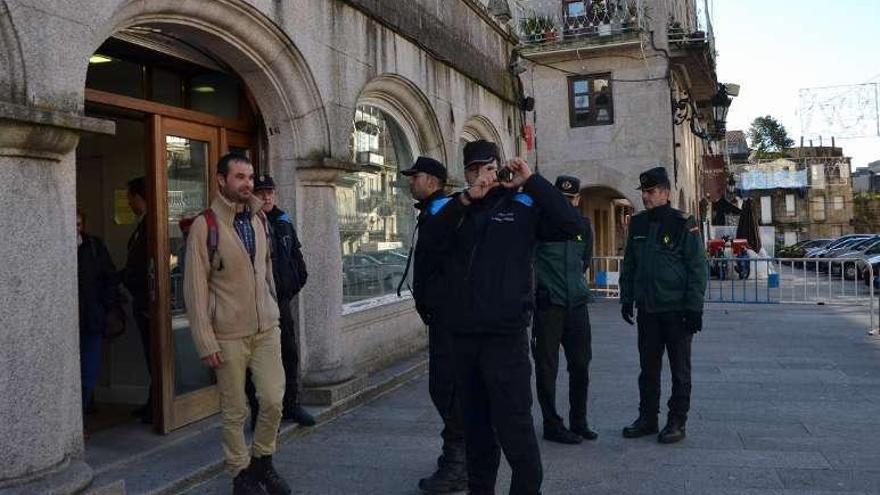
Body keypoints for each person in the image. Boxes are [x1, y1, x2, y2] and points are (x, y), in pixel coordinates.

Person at [432, 140, 581, 495]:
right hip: (464, 340)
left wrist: (531, 181)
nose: (484, 174)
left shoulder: (523, 204)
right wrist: (467, 199)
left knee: (516, 432)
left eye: (489, 167)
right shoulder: (454, 208)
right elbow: (429, 245)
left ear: (501, 167)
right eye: (475, 169)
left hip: (506, 340)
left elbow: (571, 224)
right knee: (477, 436)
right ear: (466, 173)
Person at [183, 153, 290, 495]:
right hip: (227, 333)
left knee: (273, 400)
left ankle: (263, 461)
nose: (247, 183)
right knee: (235, 410)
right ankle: (241, 473)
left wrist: (274, 312)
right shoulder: (206, 226)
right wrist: (205, 340)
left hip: (266, 329)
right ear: (221, 180)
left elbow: (267, 273)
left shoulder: (259, 219)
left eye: (250, 177)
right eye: (239, 177)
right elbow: (195, 289)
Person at [619, 166, 707, 444]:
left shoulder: (684, 222)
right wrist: (627, 297)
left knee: (680, 370)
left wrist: (694, 308)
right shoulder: (638, 223)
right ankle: (647, 418)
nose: (646, 196)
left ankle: (677, 420)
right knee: (648, 369)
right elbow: (630, 264)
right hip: (649, 310)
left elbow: (697, 267)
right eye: (644, 191)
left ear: (666, 192)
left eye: (651, 191)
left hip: (677, 310)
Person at [398, 156, 467, 493]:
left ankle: (459, 461)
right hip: (442, 315)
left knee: (446, 387)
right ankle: (458, 453)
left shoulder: (446, 210)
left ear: (433, 180)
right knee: (445, 386)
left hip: (451, 316)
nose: (411, 181)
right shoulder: (433, 211)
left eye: (416, 176)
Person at [531, 175, 598, 445]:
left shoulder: (584, 226)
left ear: (578, 199)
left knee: (581, 365)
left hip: (577, 305)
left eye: (571, 199)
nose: (567, 203)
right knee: (547, 368)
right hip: (550, 306)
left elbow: (585, 261)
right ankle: (551, 423)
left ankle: (579, 421)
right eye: (561, 198)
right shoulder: (540, 224)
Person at [245, 174, 315, 428]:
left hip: (281, 301)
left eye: (270, 192)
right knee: (255, 360)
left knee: (289, 353)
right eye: (261, 192)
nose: (266, 196)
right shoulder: (246, 223)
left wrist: (289, 288)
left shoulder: (283, 222)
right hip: (255, 303)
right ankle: (258, 412)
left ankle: (291, 405)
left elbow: (297, 259)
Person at [77, 209, 118, 417]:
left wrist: (104, 307)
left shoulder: (94, 247)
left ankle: (81, 417)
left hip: (91, 320)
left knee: (88, 373)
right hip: (66, 323)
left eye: (78, 223)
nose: (75, 228)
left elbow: (109, 277)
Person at [122, 176, 153, 423]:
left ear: (139, 198)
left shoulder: (151, 227)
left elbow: (144, 266)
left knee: (154, 354)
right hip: (141, 301)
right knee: (150, 355)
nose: (128, 203)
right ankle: (154, 402)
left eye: (130, 197)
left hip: (148, 303)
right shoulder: (143, 225)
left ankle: (158, 405)